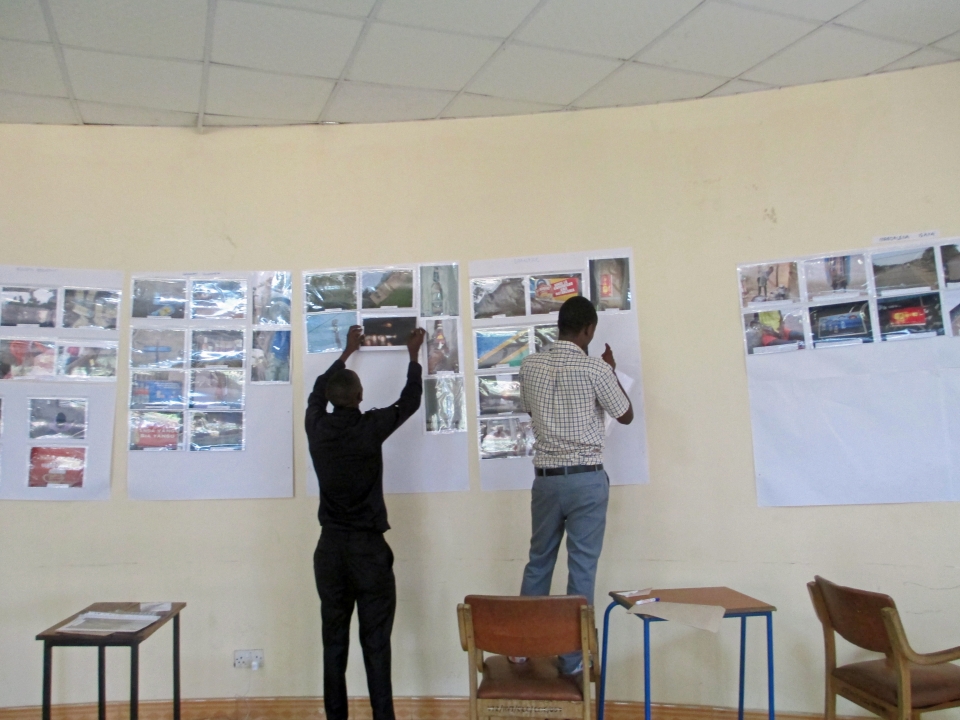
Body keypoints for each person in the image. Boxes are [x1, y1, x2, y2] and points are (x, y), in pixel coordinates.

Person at [305, 325, 426, 720]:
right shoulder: (370, 427)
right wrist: (412, 356)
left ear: (329, 399)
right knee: (376, 645)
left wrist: (345, 353)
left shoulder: (316, 427)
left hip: (329, 552)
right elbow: (410, 401)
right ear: (360, 397)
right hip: (369, 553)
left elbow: (315, 391)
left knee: (333, 645)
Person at [516, 296, 633, 674]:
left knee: (539, 562)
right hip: (586, 480)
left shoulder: (530, 365)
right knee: (581, 570)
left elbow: (531, 410)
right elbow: (625, 414)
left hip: (546, 481)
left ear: (559, 326)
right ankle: (571, 660)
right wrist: (610, 370)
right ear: (589, 330)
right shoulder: (596, 369)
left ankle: (521, 648)